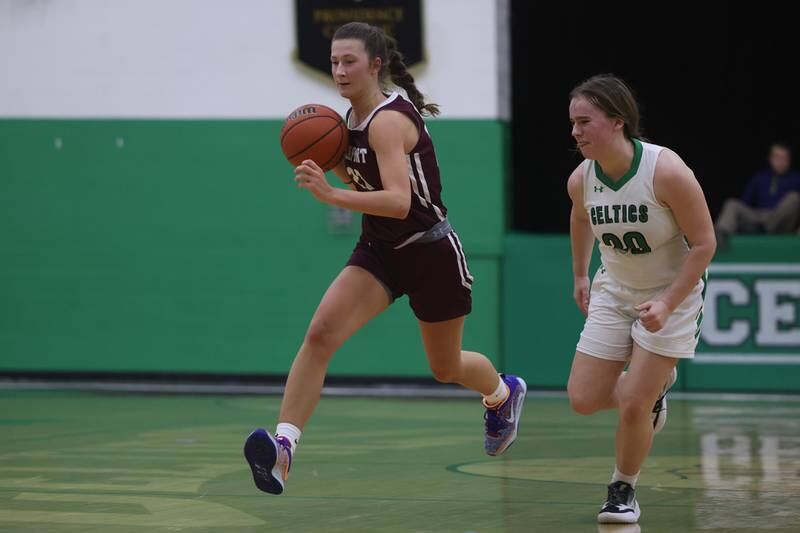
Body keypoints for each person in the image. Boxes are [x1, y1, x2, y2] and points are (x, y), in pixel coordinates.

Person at [243, 21, 527, 496]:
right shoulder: (343, 123)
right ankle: (283, 450)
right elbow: (364, 185)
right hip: (379, 251)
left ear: (376, 65)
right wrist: (327, 161)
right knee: (320, 335)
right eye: (334, 62)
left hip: (430, 250)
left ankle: (501, 394)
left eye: (348, 61)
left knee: (446, 366)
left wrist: (331, 195)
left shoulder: (389, 120)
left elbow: (398, 200)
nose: (338, 70)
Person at [566, 74, 716, 524]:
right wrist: (579, 274)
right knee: (583, 398)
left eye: (584, 122)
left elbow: (705, 244)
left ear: (617, 121)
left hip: (672, 292)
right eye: (571, 123)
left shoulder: (665, 171)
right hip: (615, 288)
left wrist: (668, 303)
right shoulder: (582, 178)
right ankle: (652, 395)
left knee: (633, 400)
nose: (574, 132)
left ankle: (623, 488)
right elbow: (579, 218)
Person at [714, 141, 800, 248]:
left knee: (794, 198)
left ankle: (767, 227)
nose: (780, 162)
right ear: (770, 159)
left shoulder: (797, 179)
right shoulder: (759, 178)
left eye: (784, 158)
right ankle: (720, 234)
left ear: (789, 160)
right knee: (732, 204)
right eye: (777, 157)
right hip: (758, 220)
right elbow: (745, 202)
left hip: (781, 224)